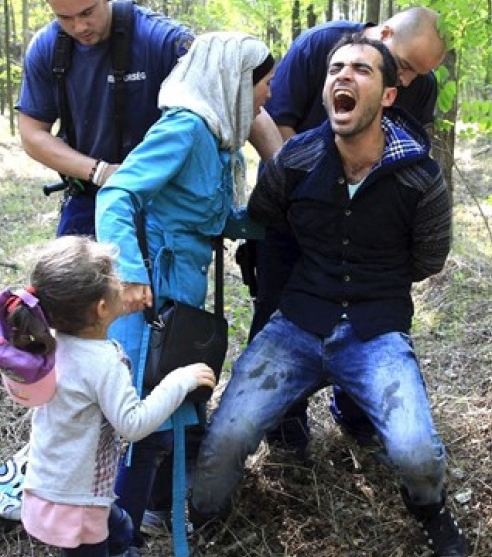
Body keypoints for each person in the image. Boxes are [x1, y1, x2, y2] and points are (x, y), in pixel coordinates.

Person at [190, 34, 467, 557]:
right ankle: (204, 520)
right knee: (226, 440)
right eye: (336, 68)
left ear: (389, 95)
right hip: (297, 324)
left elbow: (428, 259)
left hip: (376, 332)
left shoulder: (419, 176)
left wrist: (374, 282)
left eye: (362, 69)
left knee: (417, 454)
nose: (344, 75)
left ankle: (430, 510)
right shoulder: (295, 160)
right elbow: (267, 218)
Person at [94, 32, 275, 553]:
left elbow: (208, 216)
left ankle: (132, 526)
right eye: (262, 84)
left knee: (162, 420)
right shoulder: (186, 128)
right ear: (233, 81)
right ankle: (112, 539)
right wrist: (130, 275)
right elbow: (117, 194)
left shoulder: (216, 140)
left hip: (180, 299)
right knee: (140, 425)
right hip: (150, 298)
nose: (267, 96)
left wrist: (278, 223)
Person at [251, 6, 448, 456]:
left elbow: (407, 150)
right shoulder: (320, 46)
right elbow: (276, 121)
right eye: (405, 66)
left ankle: (358, 414)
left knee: (370, 320)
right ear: (384, 33)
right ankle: (285, 425)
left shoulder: (419, 85)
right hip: (293, 212)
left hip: (369, 227)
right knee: (278, 311)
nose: (409, 81)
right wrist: (309, 190)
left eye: (418, 74)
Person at [0, 235, 216, 557]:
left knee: (120, 529)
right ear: (102, 308)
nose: (122, 282)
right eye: (116, 279)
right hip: (78, 504)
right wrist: (179, 381)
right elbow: (132, 425)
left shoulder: (48, 343)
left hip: (49, 487)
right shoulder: (103, 362)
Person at [16, 0, 282, 237]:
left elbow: (233, 97)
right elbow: (32, 134)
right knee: (72, 276)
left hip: (163, 205)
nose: (79, 26)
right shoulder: (49, 48)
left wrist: (283, 176)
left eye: (87, 12)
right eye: (64, 17)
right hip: (88, 194)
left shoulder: (162, 39)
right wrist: (101, 172)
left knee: (151, 278)